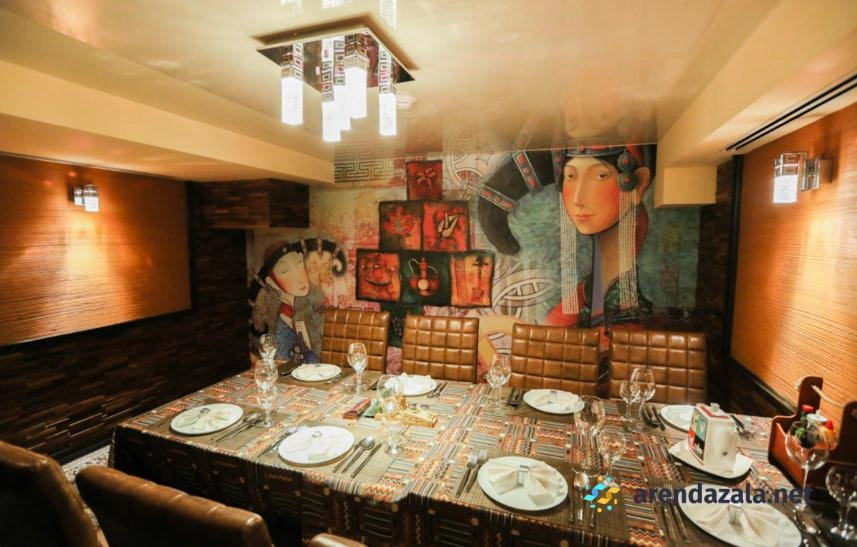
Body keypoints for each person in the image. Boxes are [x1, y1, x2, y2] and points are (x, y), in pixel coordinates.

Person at [545, 144, 654, 328]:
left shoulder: (631, 305)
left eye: (601, 176)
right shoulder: (584, 292)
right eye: (570, 176)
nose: (578, 199)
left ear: (638, 184)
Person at [249, 241, 321, 364]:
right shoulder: (278, 324)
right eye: (285, 271)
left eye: (299, 263)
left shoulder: (308, 312)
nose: (299, 277)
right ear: (271, 282)